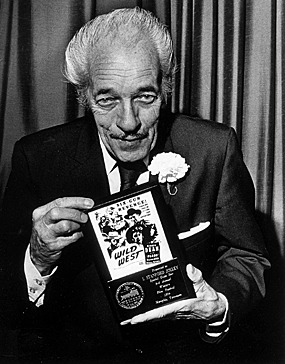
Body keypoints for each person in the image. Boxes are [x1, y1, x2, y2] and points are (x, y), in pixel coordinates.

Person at [0, 7, 270, 364]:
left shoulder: (213, 149)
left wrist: (218, 305)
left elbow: (247, 255)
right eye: (107, 99)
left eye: (145, 96)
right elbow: (6, 303)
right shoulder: (38, 159)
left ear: (165, 89)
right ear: (84, 97)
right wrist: (38, 257)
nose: (128, 123)